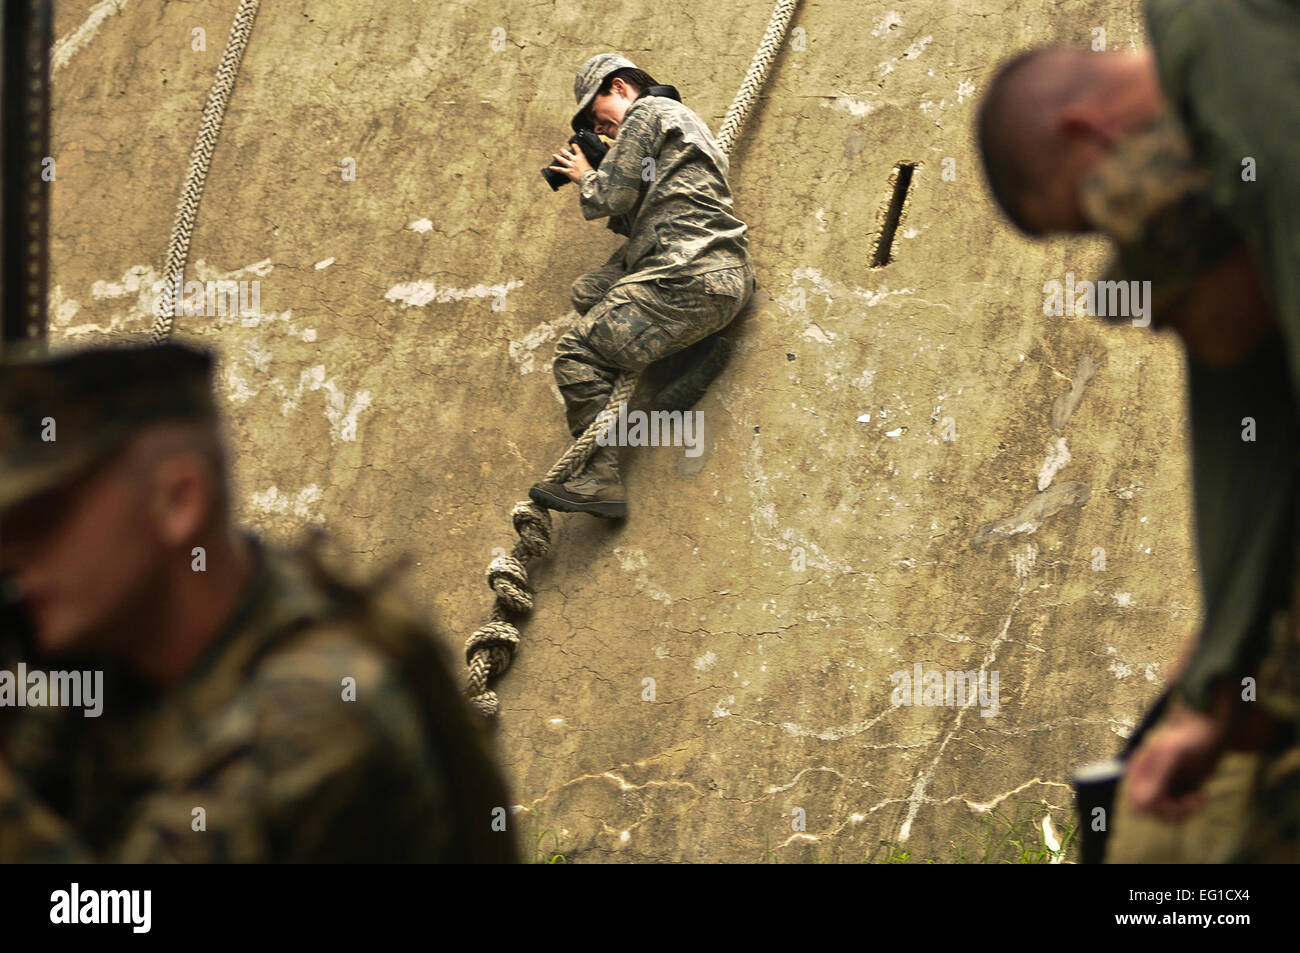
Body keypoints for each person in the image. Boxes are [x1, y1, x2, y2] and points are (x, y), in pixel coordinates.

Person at [976, 0, 1300, 862]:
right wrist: (1221, 673)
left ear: (1086, 133)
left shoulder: (1229, 55)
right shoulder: (1210, 152)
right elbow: (1253, 428)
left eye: (1085, 216)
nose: (1105, 232)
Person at [0, 341, 518, 862]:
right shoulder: (121, 663)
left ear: (179, 501)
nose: (11, 556)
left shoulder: (320, 712)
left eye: (40, 520)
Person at [531, 53, 757, 519]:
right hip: (711, 274)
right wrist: (605, 160)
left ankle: (599, 480)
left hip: (687, 273)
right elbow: (638, 215)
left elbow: (608, 198)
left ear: (618, 87)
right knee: (590, 292)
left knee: (577, 352)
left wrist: (585, 175)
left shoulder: (647, 112)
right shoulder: (681, 124)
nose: (605, 131)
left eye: (599, 119)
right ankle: (695, 354)